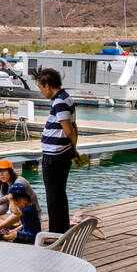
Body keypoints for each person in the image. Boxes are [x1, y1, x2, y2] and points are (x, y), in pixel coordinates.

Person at [35, 66, 77, 234]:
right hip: (63, 152)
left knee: (53, 196)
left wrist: (71, 146)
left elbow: (68, 130)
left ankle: (55, 233)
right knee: (59, 193)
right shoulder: (66, 98)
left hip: (55, 155)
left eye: (40, 87)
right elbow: (75, 127)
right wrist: (73, 148)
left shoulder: (59, 102)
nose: (41, 92)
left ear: (48, 86)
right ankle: (61, 229)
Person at [0, 159, 38, 232]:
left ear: (10, 171)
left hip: (29, 218)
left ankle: (3, 228)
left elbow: (11, 195)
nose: (1, 174)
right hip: (16, 219)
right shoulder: (5, 185)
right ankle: (6, 229)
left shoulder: (20, 182)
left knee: (16, 213)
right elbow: (4, 208)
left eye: (3, 171)